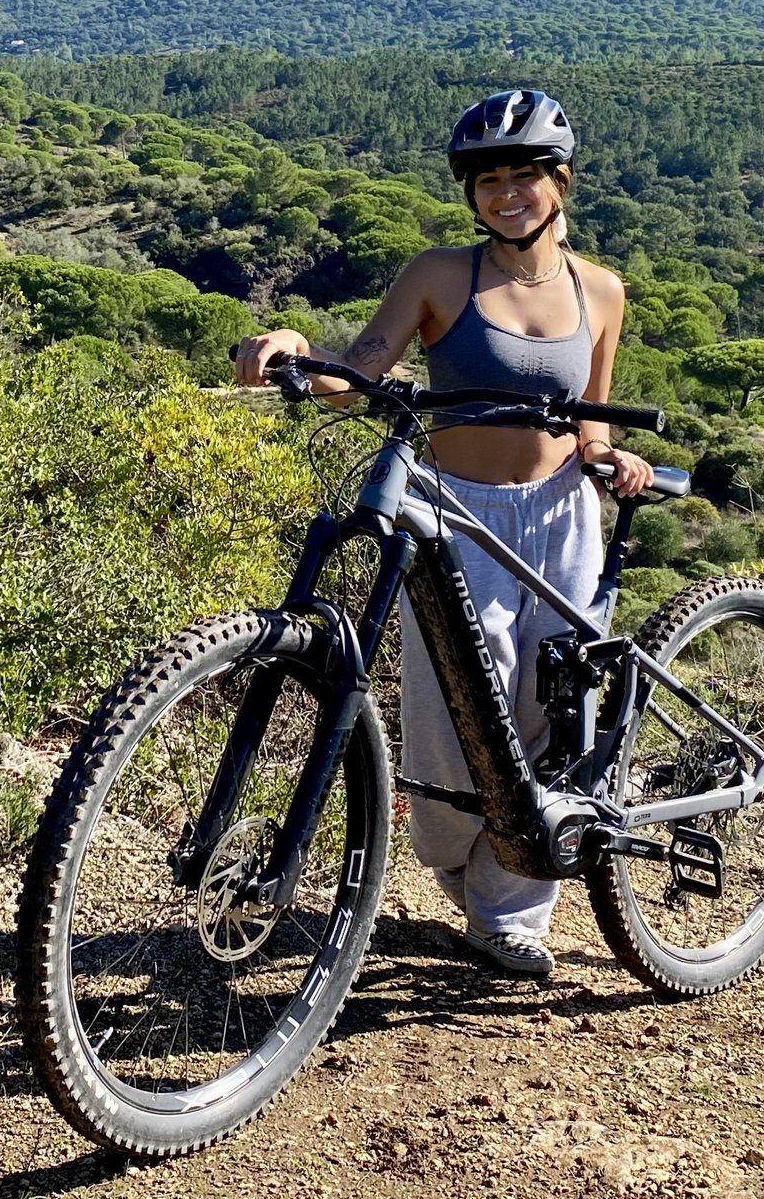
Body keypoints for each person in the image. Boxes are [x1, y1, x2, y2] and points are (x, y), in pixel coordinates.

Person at [235, 89, 654, 979]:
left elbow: (592, 429)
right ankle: (470, 870)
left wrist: (614, 461)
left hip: (563, 516)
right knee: (451, 714)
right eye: (489, 179)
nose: (507, 194)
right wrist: (294, 345)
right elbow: (361, 371)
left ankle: (509, 910)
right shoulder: (440, 273)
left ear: (560, 182)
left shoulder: (603, 292)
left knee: (550, 712)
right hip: (458, 511)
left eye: (525, 177)